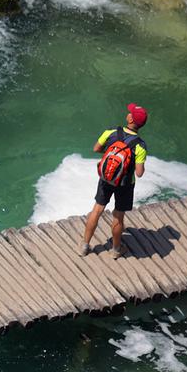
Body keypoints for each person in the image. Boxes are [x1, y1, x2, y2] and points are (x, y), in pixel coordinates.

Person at [81, 103, 148, 259]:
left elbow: (96, 148)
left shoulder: (111, 131)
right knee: (118, 216)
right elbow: (139, 173)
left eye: (130, 112)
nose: (128, 113)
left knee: (97, 209)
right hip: (125, 184)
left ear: (130, 118)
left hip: (106, 178)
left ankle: (85, 245)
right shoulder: (140, 146)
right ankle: (116, 250)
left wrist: (112, 154)